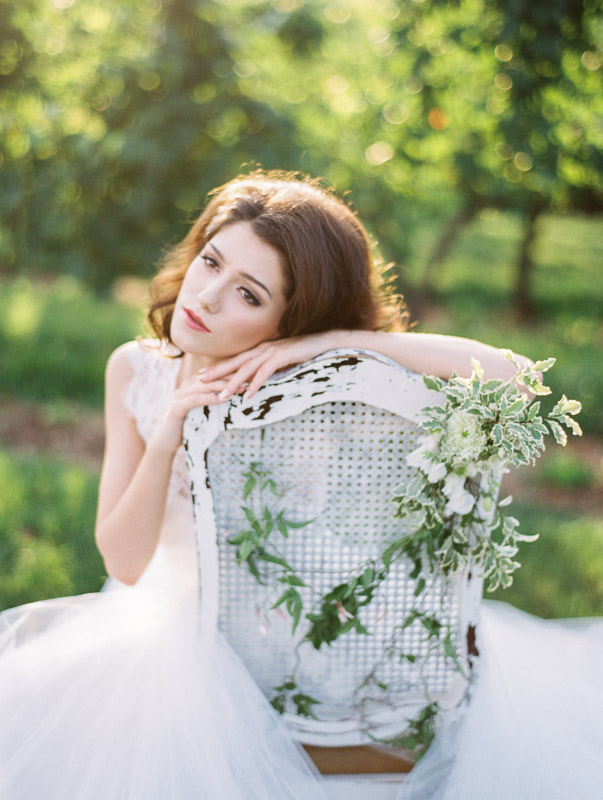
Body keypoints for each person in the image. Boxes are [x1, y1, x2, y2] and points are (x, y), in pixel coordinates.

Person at [0, 170, 601, 800]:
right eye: (210, 262)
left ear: (293, 323)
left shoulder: (321, 385)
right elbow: (124, 563)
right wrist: (170, 430)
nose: (205, 298)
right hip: (176, 638)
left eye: (249, 296)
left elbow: (521, 380)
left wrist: (339, 341)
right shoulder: (135, 371)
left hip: (313, 633)